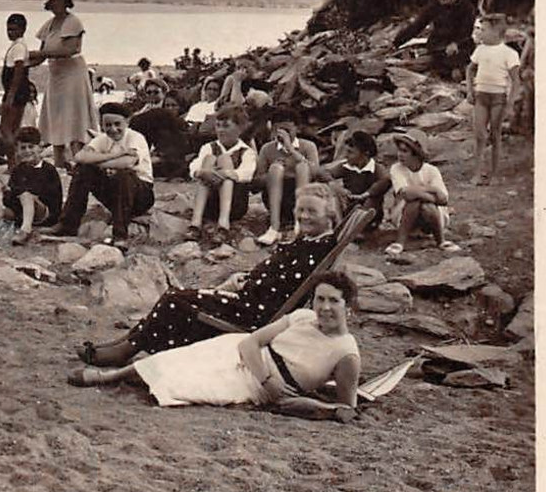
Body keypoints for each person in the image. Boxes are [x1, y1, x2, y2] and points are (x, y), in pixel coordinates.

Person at [78, 184, 346, 368]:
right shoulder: (308, 241)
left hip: (256, 312)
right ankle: (124, 344)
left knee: (176, 300)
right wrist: (245, 278)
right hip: (251, 297)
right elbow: (277, 275)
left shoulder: (315, 249)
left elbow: (284, 285)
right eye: (301, 209)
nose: (303, 215)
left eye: (312, 211)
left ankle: (126, 349)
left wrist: (244, 285)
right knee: (177, 296)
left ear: (330, 215)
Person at [71, 273, 361, 423]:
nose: (324, 308)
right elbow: (251, 341)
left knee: (185, 383)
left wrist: (289, 393)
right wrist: (266, 378)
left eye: (333, 301)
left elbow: (346, 407)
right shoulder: (302, 317)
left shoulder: (345, 352)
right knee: (177, 359)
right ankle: (110, 377)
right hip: (245, 355)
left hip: (255, 386)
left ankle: (118, 376)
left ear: (349, 307)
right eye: (320, 300)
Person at [51, 102, 152, 248]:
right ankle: (68, 224)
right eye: (108, 125)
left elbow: (127, 163)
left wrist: (98, 162)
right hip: (116, 195)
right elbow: (80, 157)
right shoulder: (102, 139)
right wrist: (116, 154)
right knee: (84, 170)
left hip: (140, 195)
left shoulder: (135, 138)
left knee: (123, 175)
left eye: (118, 124)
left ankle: (120, 236)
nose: (113, 129)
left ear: (127, 122)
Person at [31, 0, 96, 167]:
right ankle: (59, 161)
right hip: (56, 73)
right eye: (53, 1)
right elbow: (43, 52)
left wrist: (39, 55)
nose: (57, 4)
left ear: (67, 2)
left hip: (73, 73)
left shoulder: (73, 22)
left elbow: (71, 48)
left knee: (75, 115)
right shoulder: (50, 24)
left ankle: (81, 161)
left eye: (61, 0)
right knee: (56, 115)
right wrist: (24, 63)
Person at [0, 127, 61, 244]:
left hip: (44, 213)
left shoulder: (48, 170)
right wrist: (8, 193)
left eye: (31, 147)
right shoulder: (18, 170)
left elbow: (52, 197)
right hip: (22, 212)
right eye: (23, 148)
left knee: (26, 195)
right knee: (1, 211)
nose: (27, 151)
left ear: (40, 147)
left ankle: (25, 230)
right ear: (17, 150)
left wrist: (21, 193)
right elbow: (9, 201)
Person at [185, 107, 258, 244]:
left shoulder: (246, 151)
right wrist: (202, 172)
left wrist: (226, 173)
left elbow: (247, 173)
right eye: (218, 126)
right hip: (210, 203)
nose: (220, 130)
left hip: (234, 205)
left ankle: (223, 225)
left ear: (240, 128)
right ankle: (196, 222)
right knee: (209, 160)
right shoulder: (208, 147)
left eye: (226, 126)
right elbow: (194, 166)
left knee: (225, 160)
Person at [252, 108, 321, 246]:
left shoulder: (308, 146)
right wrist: (274, 173)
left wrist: (291, 150)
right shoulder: (267, 149)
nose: (284, 134)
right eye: (280, 130)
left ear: (297, 129)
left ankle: (299, 223)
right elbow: (257, 182)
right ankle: (274, 227)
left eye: (288, 130)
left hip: (303, 196)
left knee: (302, 166)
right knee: (276, 168)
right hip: (276, 197)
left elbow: (315, 171)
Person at [384, 134, 460, 257]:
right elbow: (406, 194)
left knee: (425, 205)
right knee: (415, 202)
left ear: (416, 154)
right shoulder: (397, 168)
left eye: (405, 151)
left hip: (432, 215)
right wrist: (431, 191)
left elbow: (443, 199)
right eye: (399, 150)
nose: (400, 154)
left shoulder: (431, 170)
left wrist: (419, 193)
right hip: (405, 214)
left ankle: (441, 241)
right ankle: (399, 243)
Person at [468, 13, 521, 185]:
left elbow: (515, 80)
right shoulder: (480, 50)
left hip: (498, 97)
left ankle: (495, 174)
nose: (480, 34)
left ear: (496, 32)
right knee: (479, 135)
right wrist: (470, 90)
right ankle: (477, 173)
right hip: (481, 95)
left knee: (495, 135)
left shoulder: (509, 53)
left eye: (483, 30)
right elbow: (470, 69)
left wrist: (510, 104)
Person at [395, 0, 477, 78]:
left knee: (457, 71)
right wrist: (397, 42)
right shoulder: (435, 7)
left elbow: (467, 31)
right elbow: (417, 26)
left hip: (459, 46)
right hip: (438, 46)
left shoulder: (467, 7)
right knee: (420, 63)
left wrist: (456, 43)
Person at [321, 130, 388, 227]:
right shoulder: (346, 166)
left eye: (351, 152)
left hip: (369, 209)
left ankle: (357, 226)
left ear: (366, 154)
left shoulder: (376, 168)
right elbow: (323, 172)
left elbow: (385, 180)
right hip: (350, 205)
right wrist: (335, 185)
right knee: (332, 194)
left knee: (373, 198)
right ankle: (340, 226)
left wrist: (365, 194)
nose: (346, 155)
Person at [0, 12, 35, 149]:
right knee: (11, 128)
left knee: (7, 128)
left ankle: (12, 161)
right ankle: (13, 160)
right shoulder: (18, 46)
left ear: (23, 30)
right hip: (17, 90)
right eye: (8, 29)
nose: (10, 33)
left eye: (14, 30)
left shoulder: (19, 47)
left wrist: (10, 96)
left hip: (16, 91)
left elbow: (18, 71)